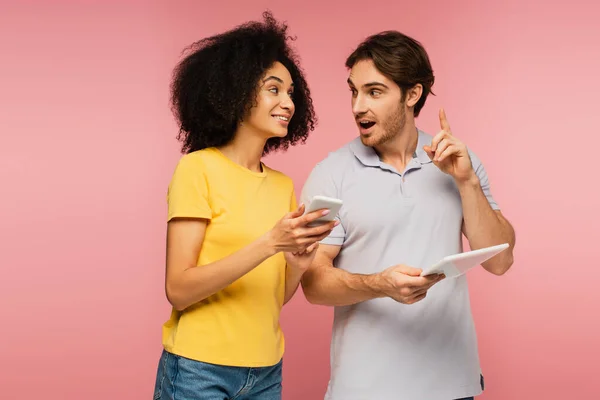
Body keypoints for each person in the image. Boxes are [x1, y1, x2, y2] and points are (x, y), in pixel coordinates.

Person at [300, 31, 516, 400]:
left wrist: (465, 181)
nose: (357, 106)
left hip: (451, 385)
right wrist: (379, 284)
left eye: (374, 91)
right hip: (365, 389)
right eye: (354, 91)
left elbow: (500, 260)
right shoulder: (331, 173)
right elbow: (314, 284)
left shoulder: (458, 163)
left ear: (412, 95)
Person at [152, 12, 337, 400]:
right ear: (235, 92)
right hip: (198, 370)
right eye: (274, 89)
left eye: (290, 92)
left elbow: (274, 297)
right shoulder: (197, 168)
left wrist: (297, 262)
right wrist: (271, 243)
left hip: (266, 370)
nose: (287, 101)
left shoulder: (282, 185)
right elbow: (179, 288)